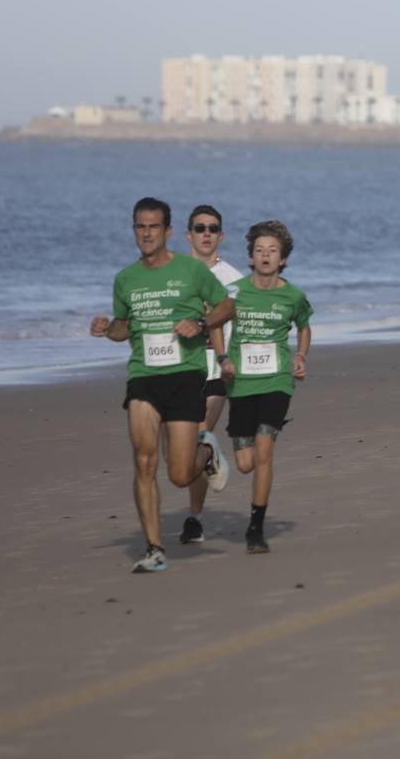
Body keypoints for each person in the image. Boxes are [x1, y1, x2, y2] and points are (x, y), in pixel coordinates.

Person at [90, 197, 234, 573]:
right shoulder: (126, 278)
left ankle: (207, 452)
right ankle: (154, 549)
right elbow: (123, 329)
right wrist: (108, 329)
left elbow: (226, 307)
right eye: (140, 226)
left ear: (168, 231)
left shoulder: (190, 271)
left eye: (154, 226)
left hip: (185, 377)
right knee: (143, 459)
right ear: (134, 230)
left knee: (179, 474)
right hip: (143, 375)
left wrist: (201, 326)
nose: (147, 233)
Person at [219, 220, 313, 554]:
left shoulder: (293, 295)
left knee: (265, 450)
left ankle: (255, 528)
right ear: (250, 258)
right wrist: (221, 358)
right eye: (259, 250)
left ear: (283, 259)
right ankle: (212, 453)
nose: (266, 255)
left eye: (272, 251)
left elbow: (304, 326)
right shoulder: (235, 292)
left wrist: (300, 356)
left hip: (277, 380)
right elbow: (216, 322)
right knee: (245, 463)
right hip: (242, 382)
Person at [179, 204, 245, 545]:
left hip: (218, 369)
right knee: (179, 456)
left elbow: (246, 329)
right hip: (177, 370)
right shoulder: (173, 275)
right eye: (199, 227)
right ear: (188, 234)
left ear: (221, 235)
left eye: (212, 228)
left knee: (201, 433)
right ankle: (210, 456)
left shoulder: (235, 281)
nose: (206, 233)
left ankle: (194, 518)